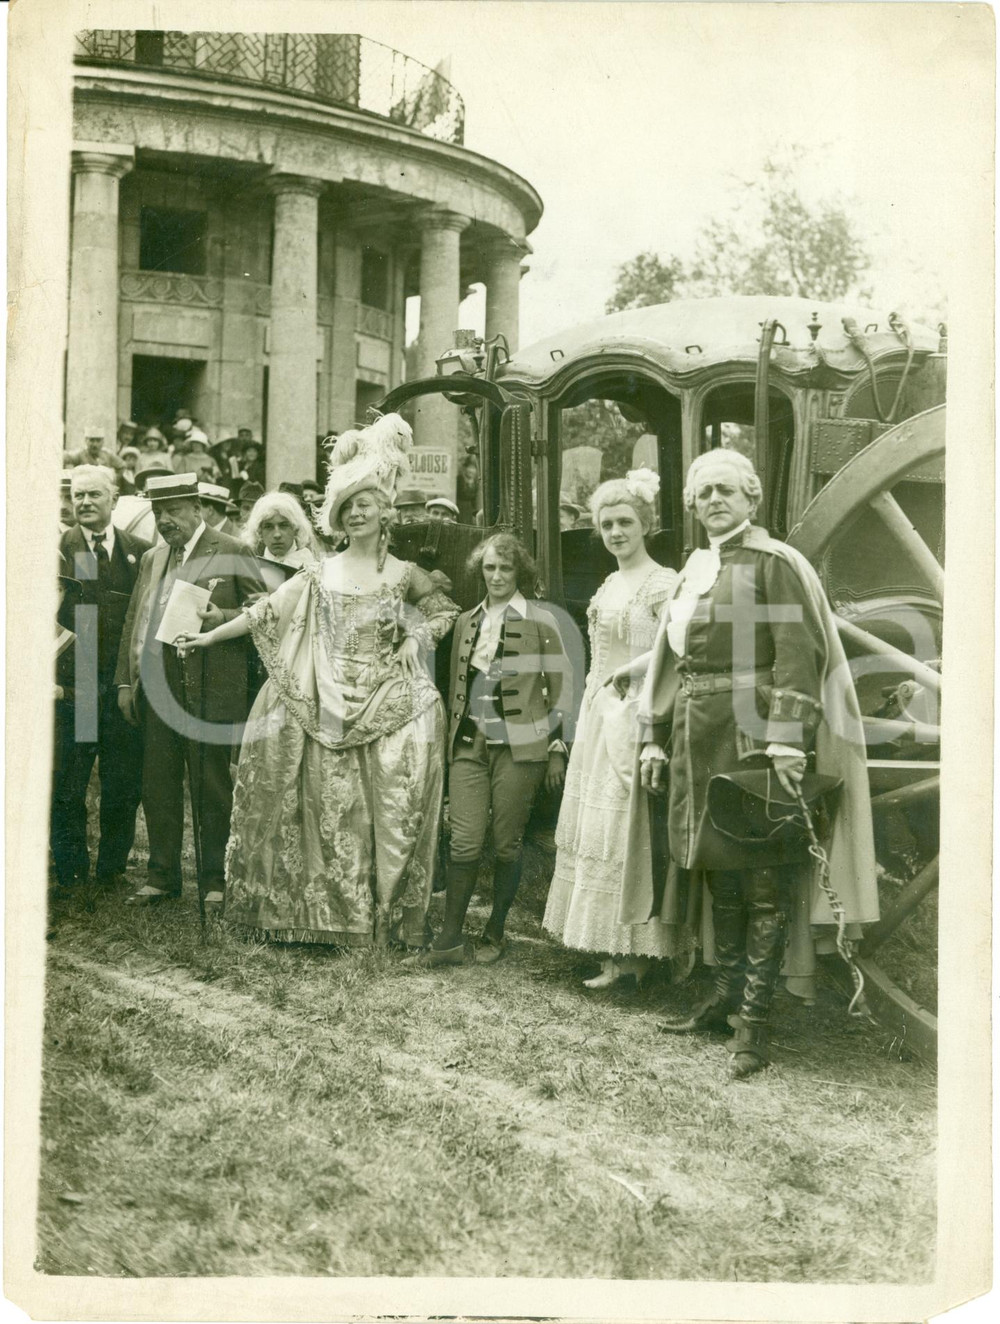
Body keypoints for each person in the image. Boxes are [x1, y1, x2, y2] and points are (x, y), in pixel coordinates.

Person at [175, 414, 459, 948]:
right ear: (338, 516)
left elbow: (444, 611)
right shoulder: (318, 572)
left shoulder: (402, 573)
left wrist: (414, 639)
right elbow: (262, 614)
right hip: (321, 694)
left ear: (384, 514)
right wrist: (208, 638)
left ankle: (380, 918)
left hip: (382, 698)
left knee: (380, 804)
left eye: (365, 507)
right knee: (317, 805)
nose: (356, 515)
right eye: (348, 508)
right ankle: (314, 914)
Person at [638, 449, 878, 1078]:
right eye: (703, 493)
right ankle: (722, 999)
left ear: (752, 499)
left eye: (727, 490)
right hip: (696, 734)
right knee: (720, 873)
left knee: (765, 881)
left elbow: (800, 651)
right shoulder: (694, 569)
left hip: (754, 735)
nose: (714, 500)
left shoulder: (773, 564)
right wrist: (655, 735)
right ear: (691, 507)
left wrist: (788, 740)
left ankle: (755, 1023)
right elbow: (672, 662)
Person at [543, 469, 679, 987]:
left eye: (625, 522)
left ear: (645, 524)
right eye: (606, 525)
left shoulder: (662, 583)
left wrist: (633, 676)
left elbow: (676, 650)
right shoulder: (608, 583)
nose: (616, 532)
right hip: (602, 714)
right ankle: (609, 948)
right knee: (598, 827)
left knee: (630, 827)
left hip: (639, 711)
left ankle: (636, 955)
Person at [414, 533, 573, 966]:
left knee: (507, 843)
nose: (498, 576)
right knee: (463, 840)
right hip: (469, 742)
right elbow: (455, 688)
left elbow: (561, 692)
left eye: (505, 568)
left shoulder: (543, 621)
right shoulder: (467, 620)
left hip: (522, 747)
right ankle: (448, 939)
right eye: (489, 568)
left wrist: (557, 749)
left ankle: (495, 928)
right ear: (479, 572)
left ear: (520, 570)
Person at [114, 473, 266, 908]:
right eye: (159, 512)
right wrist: (125, 682)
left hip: (210, 689)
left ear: (197, 508)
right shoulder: (153, 558)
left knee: (210, 786)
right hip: (157, 688)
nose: (166, 520)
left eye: (175, 510)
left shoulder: (232, 549)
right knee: (157, 784)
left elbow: (262, 611)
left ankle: (215, 879)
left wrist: (223, 616)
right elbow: (133, 621)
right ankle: (162, 876)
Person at [53, 466, 151, 889]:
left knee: (122, 785)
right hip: (76, 690)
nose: (85, 502)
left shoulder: (140, 552)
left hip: (119, 689)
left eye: (94, 495)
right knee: (68, 785)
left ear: (114, 500)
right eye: (78, 496)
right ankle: (71, 870)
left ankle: (111, 870)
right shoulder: (59, 548)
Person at [242, 490, 321, 573]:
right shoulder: (252, 569)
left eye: (283, 525)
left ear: (295, 528)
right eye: (269, 527)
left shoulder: (312, 567)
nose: (277, 535)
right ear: (259, 532)